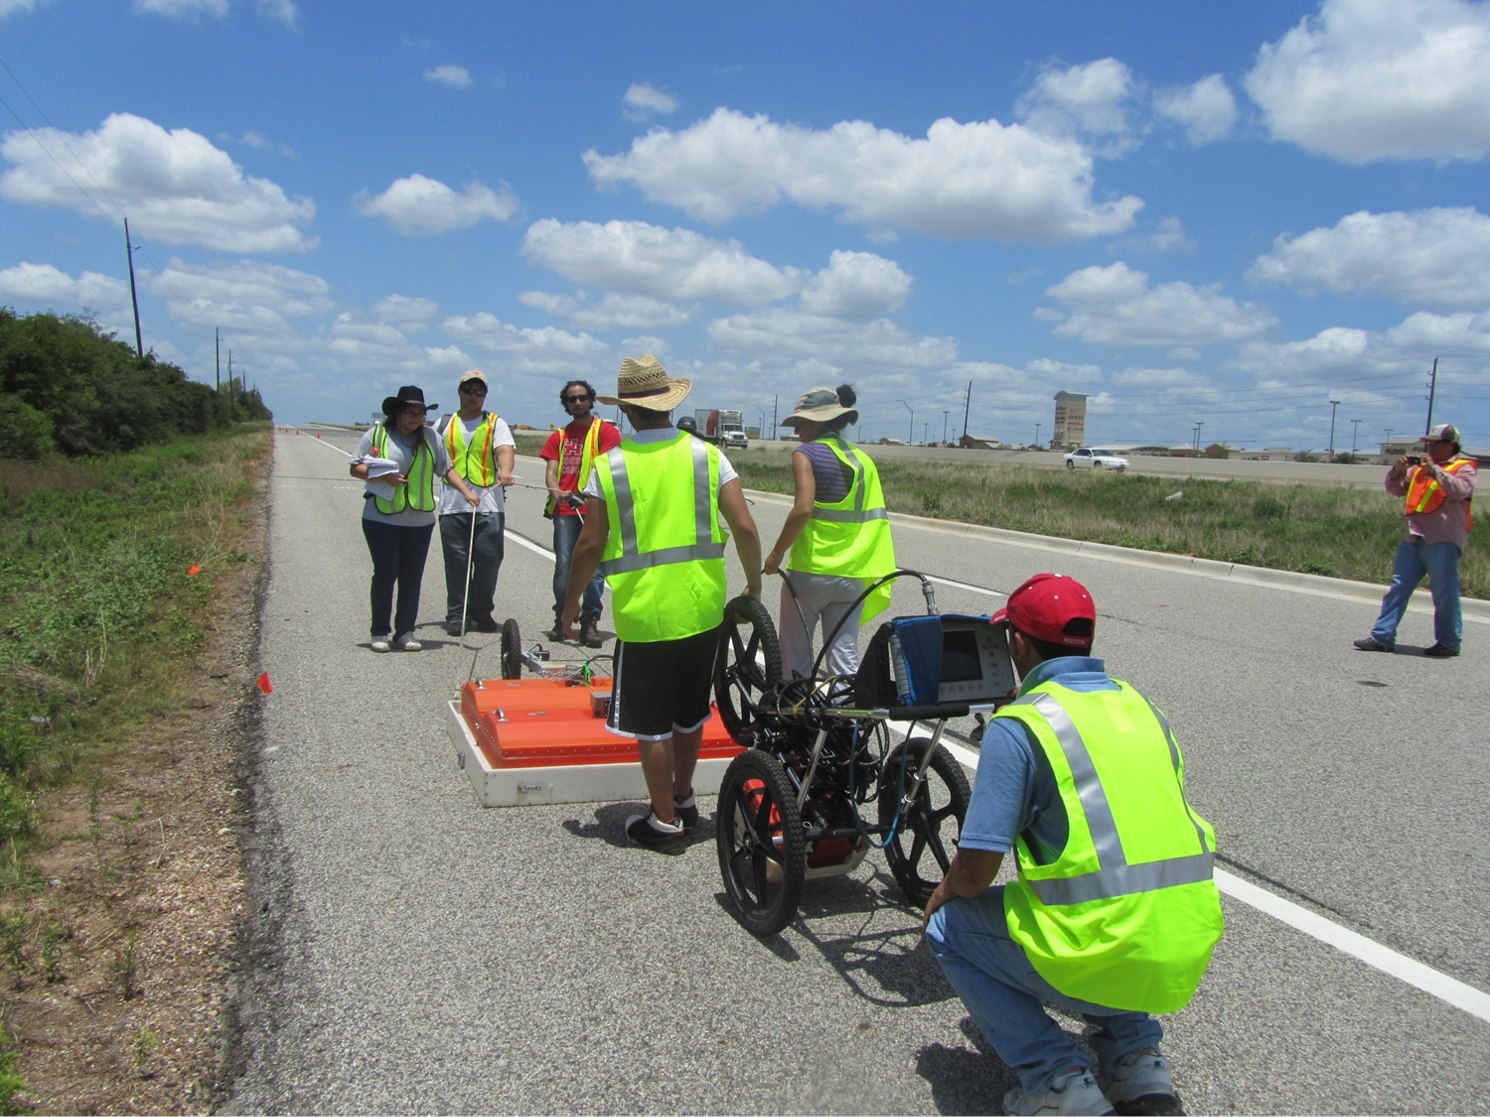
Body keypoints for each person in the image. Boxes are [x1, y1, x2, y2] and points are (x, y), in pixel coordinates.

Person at [923, 573, 1224, 1117]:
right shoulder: (1140, 706)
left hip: (1100, 951)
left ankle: (1056, 1081)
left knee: (949, 927)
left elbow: (974, 874)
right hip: (1182, 946)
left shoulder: (1019, 728)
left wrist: (943, 891)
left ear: (1017, 643)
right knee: (1118, 912)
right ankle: (1136, 1058)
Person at [560, 355, 762, 852]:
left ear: (626, 411)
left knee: (650, 725)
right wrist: (754, 586)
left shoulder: (610, 465)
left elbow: (588, 546)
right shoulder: (708, 456)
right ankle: (685, 798)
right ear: (670, 404)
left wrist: (567, 610)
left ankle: (665, 822)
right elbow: (745, 526)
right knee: (690, 714)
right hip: (701, 610)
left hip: (645, 617)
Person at [763, 385, 896, 680]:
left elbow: (802, 509)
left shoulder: (806, 453)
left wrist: (776, 553)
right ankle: (845, 723)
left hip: (811, 573)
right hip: (853, 576)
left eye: (800, 424)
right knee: (843, 659)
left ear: (817, 422)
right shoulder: (862, 461)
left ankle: (796, 719)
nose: (797, 432)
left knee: (796, 658)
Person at [350, 386, 479, 652]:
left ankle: (405, 631)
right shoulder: (377, 435)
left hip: (419, 520)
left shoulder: (432, 438)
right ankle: (380, 632)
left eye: (420, 413)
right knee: (386, 573)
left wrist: (467, 492)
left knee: (412, 576)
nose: (415, 418)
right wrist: (380, 476)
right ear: (397, 412)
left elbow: (447, 469)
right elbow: (356, 467)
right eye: (410, 412)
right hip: (381, 518)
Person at [1355, 423, 1476, 658]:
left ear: (1450, 445)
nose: (1428, 447)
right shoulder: (1418, 469)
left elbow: (1460, 490)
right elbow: (1394, 489)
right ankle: (1382, 637)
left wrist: (1436, 470)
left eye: (1435, 443)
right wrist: (1398, 471)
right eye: (1428, 443)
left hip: (1443, 539)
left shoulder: (1464, 468)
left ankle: (1449, 642)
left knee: (1444, 592)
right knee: (1398, 588)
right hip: (1413, 536)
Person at [541, 379, 621, 647]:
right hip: (565, 510)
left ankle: (590, 621)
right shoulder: (559, 437)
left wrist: (587, 493)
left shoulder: (606, 433)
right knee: (564, 567)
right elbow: (551, 472)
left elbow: (611, 469)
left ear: (591, 400)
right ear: (566, 403)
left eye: (582, 397)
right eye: (572, 399)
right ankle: (561, 617)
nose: (577, 402)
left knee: (594, 569)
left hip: (595, 509)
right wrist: (555, 491)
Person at [435, 371, 515, 636]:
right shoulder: (443, 424)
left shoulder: (495, 423)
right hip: (453, 506)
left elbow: (505, 450)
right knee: (457, 563)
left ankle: (481, 612)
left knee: (489, 562)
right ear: (460, 391)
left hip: (488, 506)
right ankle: (457, 615)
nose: (474, 396)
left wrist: (505, 470)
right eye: (469, 390)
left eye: (479, 392)